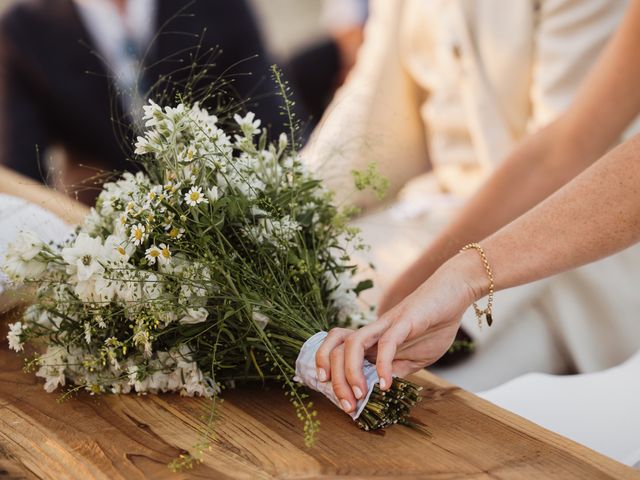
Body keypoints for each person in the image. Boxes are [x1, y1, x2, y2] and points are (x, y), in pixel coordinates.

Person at [316, 0, 640, 465]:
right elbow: (377, 106)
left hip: (560, 255)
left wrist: (427, 288)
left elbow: (562, 152)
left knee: (411, 423)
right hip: (437, 224)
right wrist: (275, 213)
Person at [0, 0, 291, 202]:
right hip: (110, 240)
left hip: (231, 205)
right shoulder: (22, 31)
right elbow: (18, 178)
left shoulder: (218, 6)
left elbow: (275, 125)